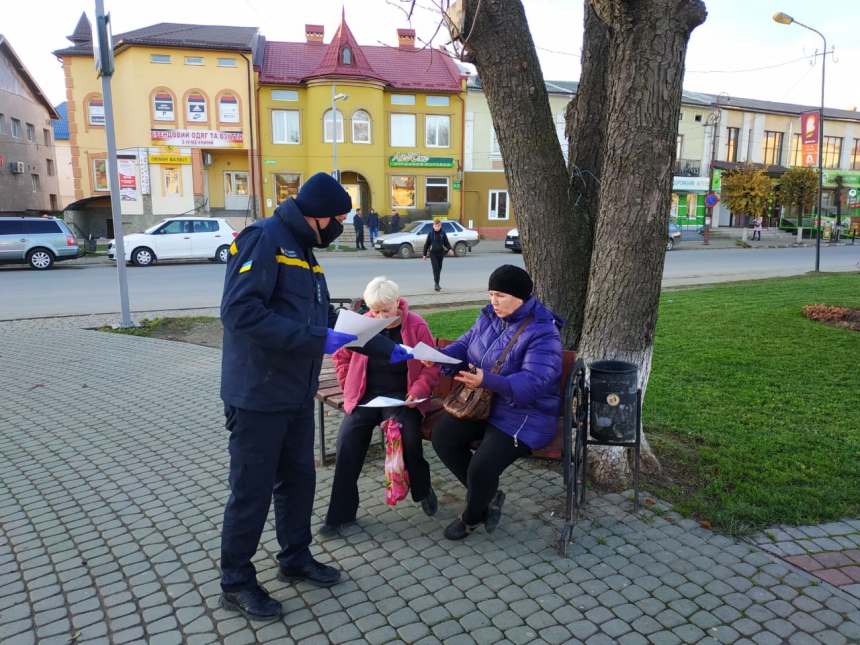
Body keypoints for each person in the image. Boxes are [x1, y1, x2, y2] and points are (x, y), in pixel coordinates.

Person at [218, 172, 412, 621]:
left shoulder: (303, 250)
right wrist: (312, 336)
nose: (341, 225)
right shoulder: (264, 239)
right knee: (251, 491)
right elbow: (239, 312)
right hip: (257, 395)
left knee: (299, 481)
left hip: (293, 393)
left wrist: (388, 343)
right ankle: (236, 583)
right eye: (339, 218)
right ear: (319, 215)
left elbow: (326, 317)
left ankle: (295, 557)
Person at [421, 265, 563, 540]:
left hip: (525, 415)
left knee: (481, 467)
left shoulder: (543, 332)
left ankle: (471, 517)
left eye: (500, 295)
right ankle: (490, 495)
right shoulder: (489, 316)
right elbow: (464, 345)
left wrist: (487, 380)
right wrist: (439, 356)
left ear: (520, 297)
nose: (493, 301)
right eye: (491, 294)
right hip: (483, 404)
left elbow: (534, 383)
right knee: (443, 435)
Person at [320, 276, 441, 536]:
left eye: (385, 310)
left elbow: (431, 367)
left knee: (409, 435)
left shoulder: (416, 325)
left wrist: (417, 391)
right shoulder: (362, 324)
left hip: (402, 395)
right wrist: (347, 383)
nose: (379, 316)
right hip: (367, 395)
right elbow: (341, 356)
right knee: (347, 440)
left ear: (397, 303)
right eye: (374, 310)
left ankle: (422, 490)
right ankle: (341, 514)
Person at [422, 219, 453, 291]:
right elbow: (426, 244)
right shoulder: (430, 234)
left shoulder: (443, 233)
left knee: (439, 268)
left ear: (440, 226)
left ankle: (437, 282)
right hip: (433, 253)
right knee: (435, 268)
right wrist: (424, 254)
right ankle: (436, 284)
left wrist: (450, 249)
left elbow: (446, 242)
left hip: (440, 253)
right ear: (433, 226)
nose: (437, 227)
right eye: (435, 226)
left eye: (438, 226)